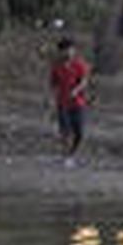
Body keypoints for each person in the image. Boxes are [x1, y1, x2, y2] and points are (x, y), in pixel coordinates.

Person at [47, 36, 91, 166]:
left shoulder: (79, 64)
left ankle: (72, 153)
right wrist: (51, 101)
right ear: (60, 51)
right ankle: (66, 156)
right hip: (62, 102)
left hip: (78, 102)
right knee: (65, 130)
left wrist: (76, 90)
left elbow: (84, 81)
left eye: (71, 49)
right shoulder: (56, 66)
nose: (69, 52)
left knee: (79, 132)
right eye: (65, 50)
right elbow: (53, 84)